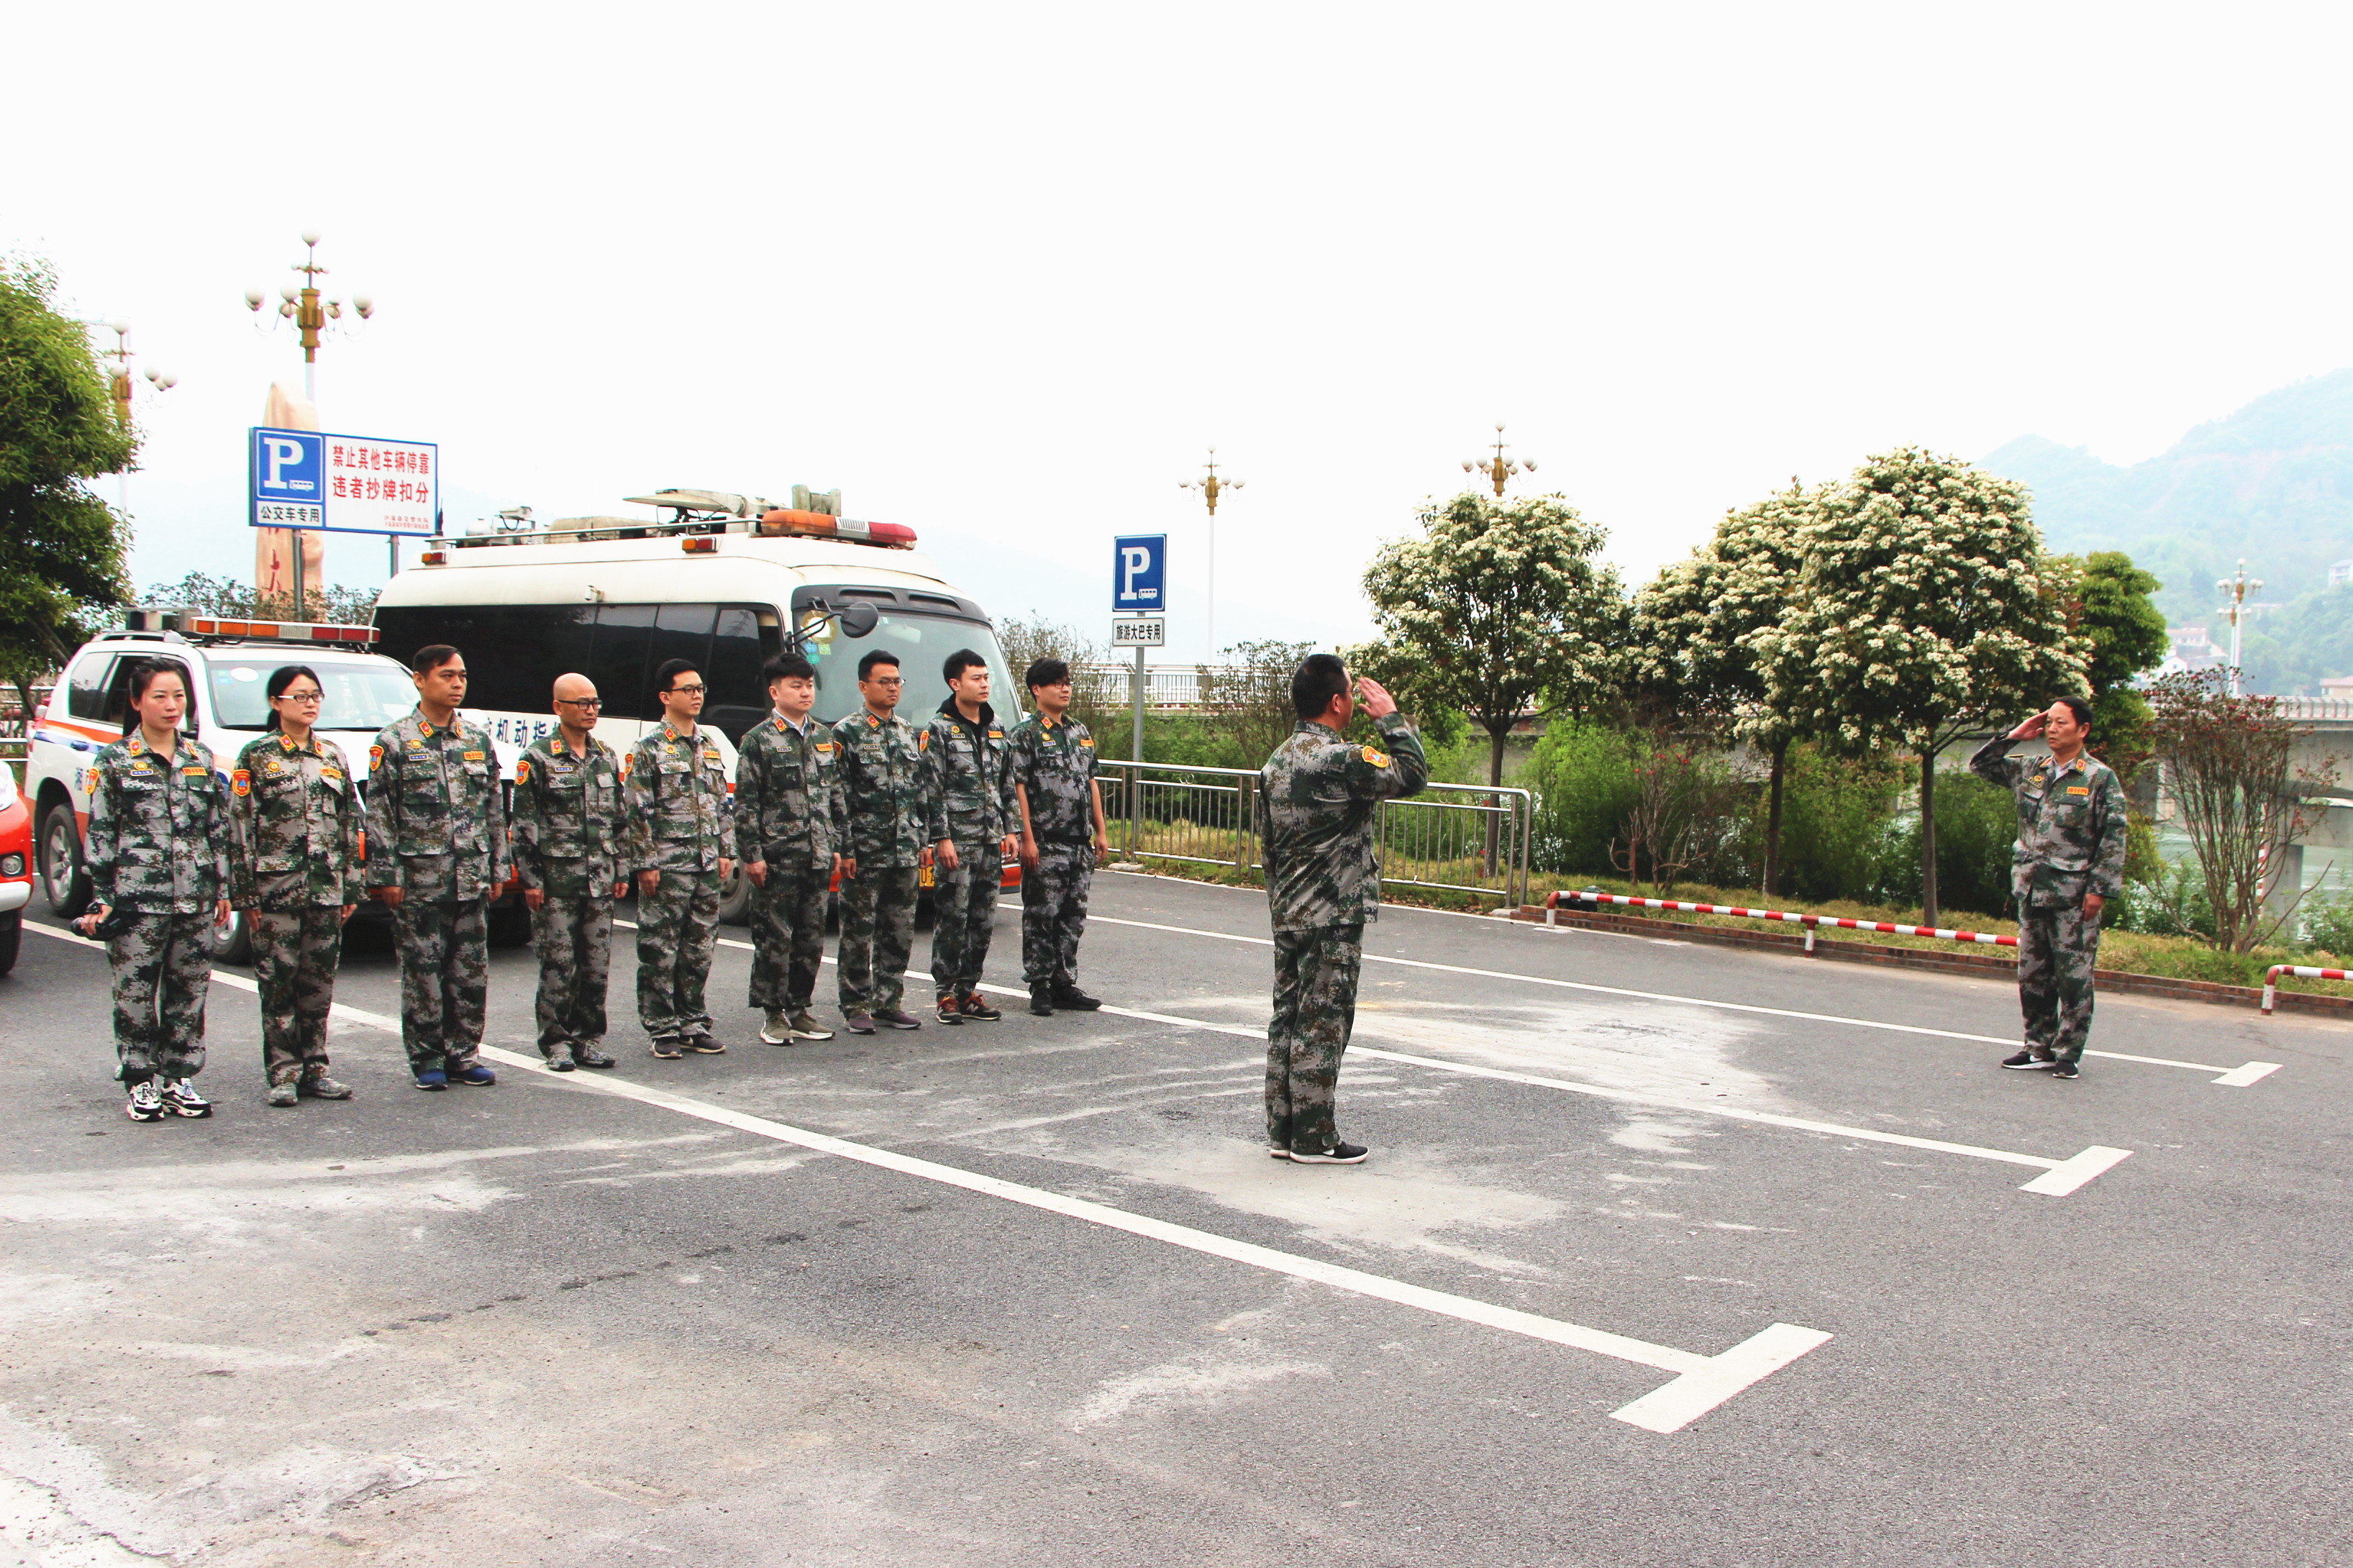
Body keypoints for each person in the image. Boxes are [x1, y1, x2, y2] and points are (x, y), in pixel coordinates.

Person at [1259, 655, 1427, 1164]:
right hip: (1332, 912)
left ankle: (1282, 1129)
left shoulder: (1279, 760)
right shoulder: (1342, 758)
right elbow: (1412, 775)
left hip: (1289, 907)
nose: (1355, 700)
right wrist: (1391, 719)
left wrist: (1281, 901)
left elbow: (1266, 844)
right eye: (1352, 692)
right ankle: (1314, 1137)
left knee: (1287, 1018)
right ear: (1338, 702)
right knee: (1323, 1023)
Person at [76, 659, 232, 1122]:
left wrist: (222, 886)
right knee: (136, 992)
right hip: (137, 900)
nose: (171, 705)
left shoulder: (200, 759)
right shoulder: (115, 761)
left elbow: (216, 828)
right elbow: (102, 834)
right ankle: (141, 1081)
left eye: (179, 696)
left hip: (195, 898)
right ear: (137, 701)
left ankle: (179, 1077)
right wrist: (103, 897)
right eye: (160, 696)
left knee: (189, 991)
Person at [365, 644, 509, 1091]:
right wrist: (385, 875)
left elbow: (492, 809)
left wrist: (498, 868)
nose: (457, 684)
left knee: (469, 971)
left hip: (470, 876)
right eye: (447, 676)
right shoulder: (395, 741)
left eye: (462, 676)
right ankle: (427, 1057)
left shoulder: (476, 739)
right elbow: (380, 813)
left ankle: (464, 1053)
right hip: (420, 881)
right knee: (424, 972)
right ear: (421, 680)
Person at [1970, 696, 2128, 1080]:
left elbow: (2114, 836)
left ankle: (2067, 1052)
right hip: (2031, 886)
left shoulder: (2098, 777)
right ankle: (2036, 1046)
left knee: (2073, 974)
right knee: (2033, 973)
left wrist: (2100, 889)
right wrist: (2015, 736)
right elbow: (1981, 765)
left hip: (2073, 894)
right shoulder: (2031, 769)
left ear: (2083, 730)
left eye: (2061, 723)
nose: (2052, 729)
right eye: (2049, 723)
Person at [226, 665, 362, 1106]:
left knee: (318, 984)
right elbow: (240, 825)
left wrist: (353, 884)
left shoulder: (333, 755)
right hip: (276, 890)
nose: (310, 703)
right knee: (278, 981)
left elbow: (348, 823)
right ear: (276, 703)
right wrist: (244, 894)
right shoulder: (257, 755)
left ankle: (316, 1068)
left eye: (315, 695)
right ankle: (284, 1071)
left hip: (325, 888)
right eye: (300, 695)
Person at [510, 673, 627, 1071]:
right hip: (557, 881)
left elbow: (619, 819)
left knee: (596, 964)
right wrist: (530, 879)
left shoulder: (606, 756)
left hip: (599, 878)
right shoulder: (538, 758)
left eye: (595, 702)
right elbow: (525, 825)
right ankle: (556, 1041)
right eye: (581, 703)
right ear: (558, 707)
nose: (590, 710)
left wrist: (621, 868)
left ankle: (589, 1037)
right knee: (559, 962)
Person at [624, 657, 736, 1059]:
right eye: (688, 690)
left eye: (700, 689)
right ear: (665, 697)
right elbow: (638, 809)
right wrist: (646, 862)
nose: (696, 696)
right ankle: (661, 1026)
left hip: (706, 864)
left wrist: (726, 850)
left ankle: (692, 1020)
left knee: (699, 947)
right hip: (669, 865)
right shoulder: (649, 748)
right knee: (659, 947)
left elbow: (721, 802)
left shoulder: (709, 744)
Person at [734, 653, 842, 1044]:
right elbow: (747, 803)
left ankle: (800, 1008)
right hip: (778, 857)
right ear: (775, 691)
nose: (805, 692)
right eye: (796, 686)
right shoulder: (758, 740)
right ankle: (773, 1013)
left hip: (816, 854)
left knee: (811, 938)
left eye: (809, 684)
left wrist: (837, 845)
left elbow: (834, 796)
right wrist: (753, 855)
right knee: (774, 938)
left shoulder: (824, 738)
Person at [829, 648, 936, 1034]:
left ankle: (888, 1001)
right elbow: (838, 796)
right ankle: (855, 1004)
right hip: (866, 851)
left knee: (899, 929)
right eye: (884, 682)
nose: (893, 688)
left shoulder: (908, 732)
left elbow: (920, 790)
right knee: (858, 931)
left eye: (897, 682)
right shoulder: (846, 733)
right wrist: (846, 848)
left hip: (905, 849)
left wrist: (924, 839)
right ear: (863, 686)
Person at [1008, 657, 1110, 1017]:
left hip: (1078, 841)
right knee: (1041, 913)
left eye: (1067, 682)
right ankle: (1039, 984)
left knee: (1073, 914)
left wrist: (1100, 830)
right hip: (1047, 840)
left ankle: (1063, 980)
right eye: (1056, 683)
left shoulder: (1079, 731)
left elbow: (1092, 781)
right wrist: (1028, 838)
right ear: (1037, 689)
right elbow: (1018, 787)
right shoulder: (1025, 734)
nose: (1064, 688)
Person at [921, 649, 1019, 1024]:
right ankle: (945, 993)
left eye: (986, 678)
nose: (984, 684)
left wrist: (1011, 829)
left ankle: (968, 989)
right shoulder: (940, 729)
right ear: (955, 683)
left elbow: (1006, 783)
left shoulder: (996, 728)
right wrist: (941, 838)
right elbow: (933, 789)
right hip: (956, 841)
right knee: (952, 916)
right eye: (975, 678)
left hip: (990, 839)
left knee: (982, 918)